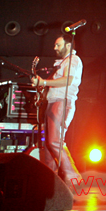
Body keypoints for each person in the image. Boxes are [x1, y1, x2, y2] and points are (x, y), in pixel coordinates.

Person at [31, 34, 83, 188]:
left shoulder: (73, 60)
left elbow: (67, 80)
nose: (55, 48)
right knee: (48, 144)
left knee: (54, 141)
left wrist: (44, 82)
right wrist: (42, 89)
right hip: (53, 103)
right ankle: (49, 182)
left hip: (62, 102)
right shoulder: (61, 63)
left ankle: (74, 179)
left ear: (68, 45)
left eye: (58, 45)